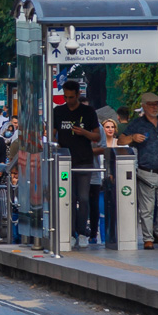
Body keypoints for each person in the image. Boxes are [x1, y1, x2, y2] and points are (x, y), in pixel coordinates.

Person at [124, 92, 158, 250]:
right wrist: (132, 137)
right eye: (151, 104)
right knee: (147, 208)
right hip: (146, 171)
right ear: (144, 106)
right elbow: (121, 140)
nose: (155, 107)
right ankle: (148, 238)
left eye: (157, 104)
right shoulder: (137, 124)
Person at [52, 80, 100, 248]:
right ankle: (71, 232)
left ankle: (82, 232)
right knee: (69, 198)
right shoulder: (58, 111)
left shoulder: (88, 111)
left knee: (84, 198)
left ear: (78, 94)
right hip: (65, 161)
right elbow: (52, 134)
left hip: (84, 160)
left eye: (71, 97)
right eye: (65, 97)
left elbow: (97, 136)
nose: (68, 100)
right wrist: (54, 144)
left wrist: (84, 132)